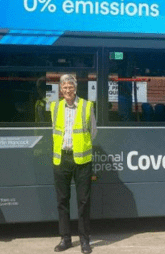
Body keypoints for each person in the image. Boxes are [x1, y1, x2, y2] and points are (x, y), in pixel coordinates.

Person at [50, 74, 97, 254]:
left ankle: (85, 240)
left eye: (70, 87)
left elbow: (93, 131)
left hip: (82, 160)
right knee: (62, 201)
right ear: (60, 90)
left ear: (75, 88)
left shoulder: (86, 106)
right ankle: (65, 239)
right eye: (64, 87)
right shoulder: (55, 107)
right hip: (61, 159)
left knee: (84, 201)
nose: (67, 90)